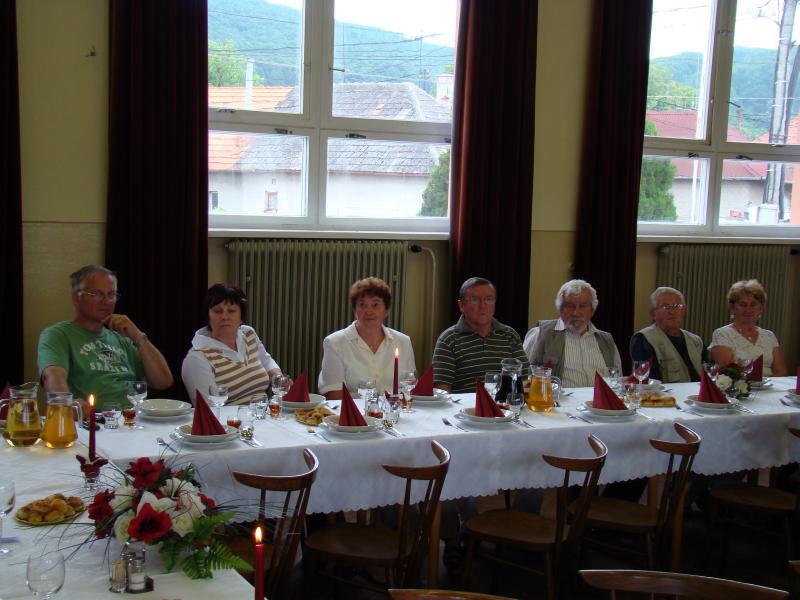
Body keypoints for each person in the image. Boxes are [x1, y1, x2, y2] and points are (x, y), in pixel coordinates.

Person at [38, 265, 173, 410]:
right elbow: (53, 378)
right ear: (76, 297)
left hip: (133, 417)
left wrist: (138, 336)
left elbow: (163, 382)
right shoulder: (58, 334)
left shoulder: (123, 339)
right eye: (97, 294)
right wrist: (67, 403)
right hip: (93, 419)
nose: (106, 301)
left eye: (111, 294)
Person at [182, 284, 282, 403]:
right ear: (208, 316)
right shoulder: (197, 357)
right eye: (217, 311)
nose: (224, 317)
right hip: (228, 416)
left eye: (231, 311)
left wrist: (278, 378)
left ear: (241, 316)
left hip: (263, 412)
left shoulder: (248, 334)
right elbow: (208, 409)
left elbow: (267, 362)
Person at [318, 277, 415, 399]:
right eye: (362, 305)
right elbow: (333, 395)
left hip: (396, 409)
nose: (368, 311)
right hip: (353, 411)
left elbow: (410, 387)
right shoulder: (335, 343)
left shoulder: (403, 342)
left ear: (386, 310)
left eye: (375, 305)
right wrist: (375, 401)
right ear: (355, 310)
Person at [432, 277, 528, 393]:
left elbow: (525, 381)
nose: (483, 306)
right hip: (465, 404)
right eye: (475, 300)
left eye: (488, 299)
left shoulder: (510, 336)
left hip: (504, 403)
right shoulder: (448, 340)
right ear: (461, 305)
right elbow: (442, 391)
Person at [524, 279, 621, 388]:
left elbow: (617, 382)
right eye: (570, 306)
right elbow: (523, 378)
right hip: (557, 399)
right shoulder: (540, 334)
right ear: (560, 309)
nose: (576, 313)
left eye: (583, 306)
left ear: (592, 310)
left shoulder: (607, 341)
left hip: (599, 399)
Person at [709, 279, 787, 376]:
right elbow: (728, 371)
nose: (748, 309)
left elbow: (781, 371)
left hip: (770, 384)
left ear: (761, 308)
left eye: (753, 305)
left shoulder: (769, 335)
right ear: (732, 307)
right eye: (743, 305)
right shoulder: (722, 334)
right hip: (739, 385)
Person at [630, 287, 708, 383]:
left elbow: (708, 374)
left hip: (697, 392)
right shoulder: (644, 339)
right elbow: (647, 382)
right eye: (666, 306)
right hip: (664, 392)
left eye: (677, 306)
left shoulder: (696, 341)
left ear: (683, 311)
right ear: (653, 314)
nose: (672, 311)